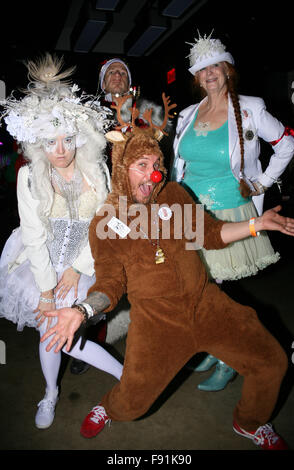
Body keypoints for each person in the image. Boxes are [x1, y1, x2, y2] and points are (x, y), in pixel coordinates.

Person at [41, 95, 294, 450]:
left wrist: (257, 224)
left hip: (207, 305)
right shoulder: (106, 221)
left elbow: (211, 234)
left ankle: (249, 422)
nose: (153, 174)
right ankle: (109, 406)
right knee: (132, 406)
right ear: (121, 168)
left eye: (157, 163)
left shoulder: (174, 194)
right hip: (157, 322)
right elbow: (110, 284)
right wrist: (82, 310)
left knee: (272, 362)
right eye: (142, 165)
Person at [0, 54, 123, 430]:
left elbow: (107, 221)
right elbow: (34, 236)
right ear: (38, 143)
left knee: (60, 333)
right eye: (50, 141)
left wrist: (76, 269)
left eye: (67, 139)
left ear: (79, 136)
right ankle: (56, 391)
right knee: (54, 330)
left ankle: (122, 378)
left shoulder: (97, 170)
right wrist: (46, 289)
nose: (60, 150)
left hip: (86, 262)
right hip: (40, 265)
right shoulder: (30, 178)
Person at [171, 32, 294, 391]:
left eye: (215, 66)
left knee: (215, 291)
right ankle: (215, 348)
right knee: (199, 288)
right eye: (202, 69)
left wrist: (262, 183)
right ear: (196, 77)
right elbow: (179, 164)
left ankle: (229, 358)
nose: (209, 73)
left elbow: (286, 145)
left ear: (227, 70)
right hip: (190, 212)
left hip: (227, 211)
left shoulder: (250, 108)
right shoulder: (189, 114)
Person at [70, 57, 172, 375]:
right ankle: (86, 340)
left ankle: (155, 336)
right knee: (103, 273)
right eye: (111, 73)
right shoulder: (88, 114)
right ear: (102, 82)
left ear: (129, 80)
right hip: (103, 207)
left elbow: (162, 157)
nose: (116, 76)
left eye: (122, 72)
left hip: (142, 205)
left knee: (147, 269)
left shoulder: (149, 111)